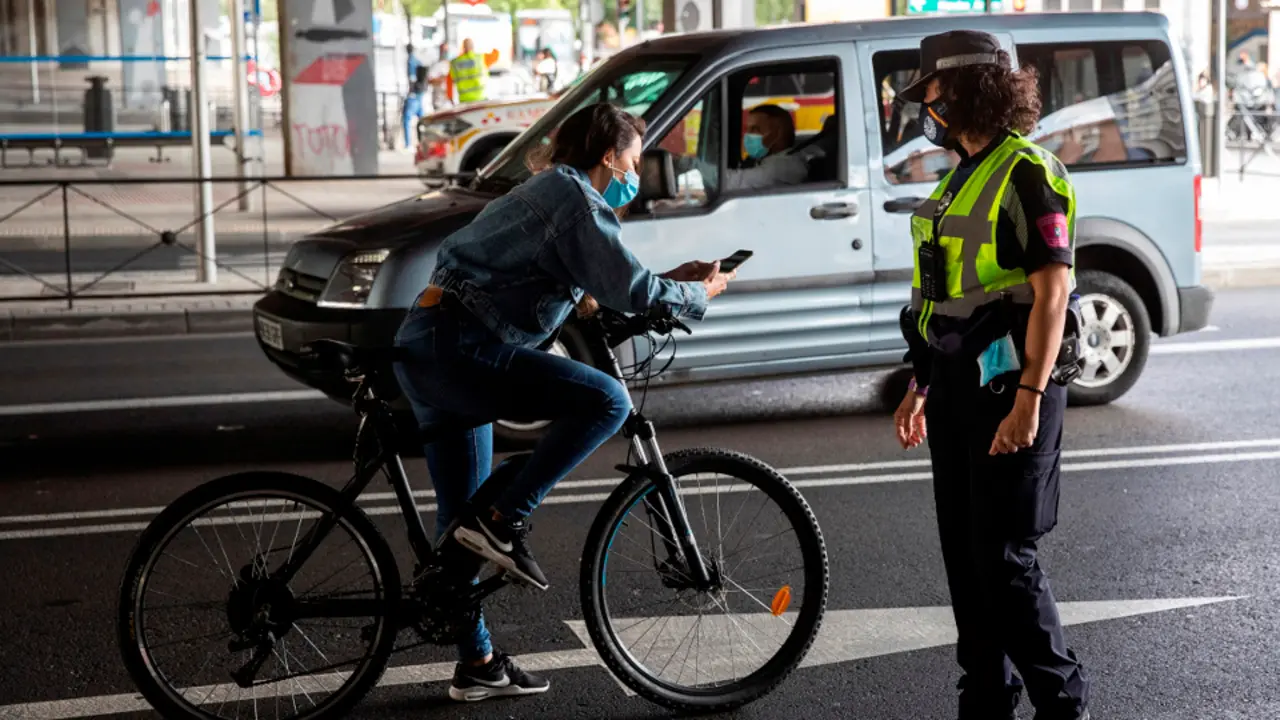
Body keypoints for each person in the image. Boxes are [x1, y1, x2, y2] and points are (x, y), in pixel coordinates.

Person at [392, 102, 735, 702]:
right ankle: (505, 519)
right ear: (609, 155)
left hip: (434, 342)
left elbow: (603, 287)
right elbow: (629, 285)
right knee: (604, 401)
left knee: (460, 530)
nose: (635, 172)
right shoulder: (577, 200)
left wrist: (665, 281)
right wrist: (694, 292)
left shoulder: (551, 190)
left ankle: (477, 664)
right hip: (461, 347)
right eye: (633, 159)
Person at [890, 30, 1090, 720]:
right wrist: (920, 388)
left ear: (973, 89)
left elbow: (1053, 292)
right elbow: (941, 300)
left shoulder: (1029, 171)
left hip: (1012, 392)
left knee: (1006, 562)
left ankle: (1064, 705)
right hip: (954, 392)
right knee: (967, 564)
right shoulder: (957, 180)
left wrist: (1031, 398)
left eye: (934, 94)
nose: (928, 108)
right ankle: (986, 703)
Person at [450, 38, 488, 104]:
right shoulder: (480, 58)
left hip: (464, 99)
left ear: (463, 47)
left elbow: (451, 80)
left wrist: (451, 99)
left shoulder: (455, 62)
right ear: (473, 46)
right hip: (480, 98)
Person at [402, 66, 427, 149]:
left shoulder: (413, 62)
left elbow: (413, 79)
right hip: (418, 94)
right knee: (422, 122)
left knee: (407, 120)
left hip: (415, 96)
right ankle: (422, 143)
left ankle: (409, 144)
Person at [427, 43, 453, 113]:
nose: (445, 53)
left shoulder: (452, 65)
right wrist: (443, 78)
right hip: (439, 103)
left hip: (450, 103)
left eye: (446, 51)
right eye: (444, 51)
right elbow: (430, 80)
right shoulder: (436, 66)